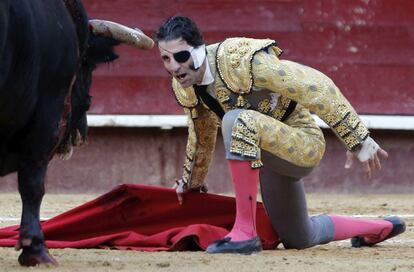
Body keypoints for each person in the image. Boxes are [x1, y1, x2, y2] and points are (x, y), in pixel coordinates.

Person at [155, 15, 406, 254]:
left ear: (198, 49)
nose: (174, 67)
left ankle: (245, 232)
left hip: (301, 142)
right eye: (166, 59)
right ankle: (380, 228)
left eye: (181, 56)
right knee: (299, 237)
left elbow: (315, 85)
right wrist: (192, 183)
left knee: (236, 120)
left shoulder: (237, 59)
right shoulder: (185, 86)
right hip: (265, 153)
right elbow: (201, 135)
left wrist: (356, 138)